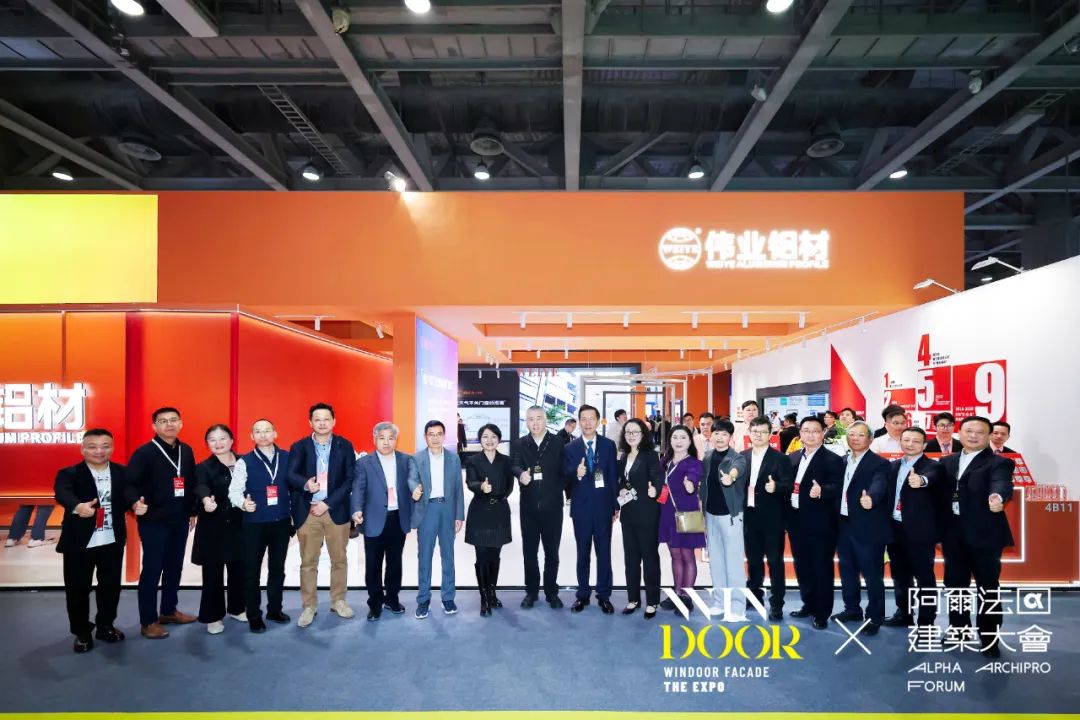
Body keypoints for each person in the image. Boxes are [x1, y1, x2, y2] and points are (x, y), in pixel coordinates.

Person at [939, 416, 1015, 658]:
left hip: (985, 535)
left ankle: (989, 637)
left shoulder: (999, 462)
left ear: (989, 436)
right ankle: (958, 629)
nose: (973, 436)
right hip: (953, 535)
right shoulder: (946, 461)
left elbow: (1002, 484)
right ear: (959, 433)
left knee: (988, 587)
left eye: (980, 432)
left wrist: (998, 497)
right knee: (955, 586)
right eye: (969, 431)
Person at [125, 406, 198, 639]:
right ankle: (148, 621)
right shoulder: (144, 453)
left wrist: (193, 510)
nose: (169, 424)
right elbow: (129, 484)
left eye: (173, 420)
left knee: (174, 566)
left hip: (180, 519)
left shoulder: (186, 450)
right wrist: (134, 503)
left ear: (181, 423)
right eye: (163, 421)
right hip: (154, 521)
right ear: (154, 426)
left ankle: (168, 611)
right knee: (153, 568)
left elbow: (191, 482)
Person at [53, 429, 127, 653]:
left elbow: (129, 496)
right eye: (93, 446)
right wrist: (77, 506)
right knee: (77, 589)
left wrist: (136, 504)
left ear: (112, 448)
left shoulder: (121, 472)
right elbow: (62, 493)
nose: (99, 451)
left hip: (111, 540)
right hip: (79, 542)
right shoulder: (69, 473)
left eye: (105, 446)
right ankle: (82, 632)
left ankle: (105, 626)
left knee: (111, 587)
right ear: (83, 449)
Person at [287, 402, 356, 627]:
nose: (322, 423)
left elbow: (349, 480)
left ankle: (339, 601)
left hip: (335, 510)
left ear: (334, 421)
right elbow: (290, 474)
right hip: (308, 511)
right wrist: (306, 484)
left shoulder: (345, 445)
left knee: (339, 560)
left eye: (326, 419)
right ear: (310, 422)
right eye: (317, 419)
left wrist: (327, 503)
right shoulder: (299, 446)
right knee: (308, 562)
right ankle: (309, 606)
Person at [229, 419, 292, 633]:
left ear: (275, 433)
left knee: (277, 569)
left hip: (281, 522)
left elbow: (294, 487)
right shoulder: (244, 461)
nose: (263, 435)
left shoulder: (287, 457)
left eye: (267, 431)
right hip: (254, 524)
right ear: (252, 436)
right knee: (251, 571)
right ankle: (254, 615)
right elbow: (234, 491)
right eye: (258, 431)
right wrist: (243, 503)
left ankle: (275, 609)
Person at [353, 421, 420, 621]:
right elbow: (358, 489)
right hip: (373, 519)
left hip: (397, 519)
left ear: (396, 440)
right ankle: (374, 604)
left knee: (394, 563)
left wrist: (416, 490)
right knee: (373, 565)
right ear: (374, 439)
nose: (386, 442)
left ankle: (392, 599)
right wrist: (356, 510)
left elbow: (413, 482)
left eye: (391, 438)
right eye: (382, 438)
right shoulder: (364, 463)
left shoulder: (406, 460)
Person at [832, 421, 891, 635]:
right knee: (847, 570)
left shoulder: (880, 464)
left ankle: (875, 616)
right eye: (852, 434)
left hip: (868, 526)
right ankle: (852, 609)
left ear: (870, 439)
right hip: (843, 524)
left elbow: (879, 484)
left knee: (872, 573)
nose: (855, 438)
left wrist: (871, 498)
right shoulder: (840, 461)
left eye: (860, 435)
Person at [786, 415, 844, 630]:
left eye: (815, 431)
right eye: (806, 431)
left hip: (821, 523)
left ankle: (821, 612)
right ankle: (808, 603)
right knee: (802, 565)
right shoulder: (792, 458)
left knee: (821, 566)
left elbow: (838, 487)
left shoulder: (833, 459)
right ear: (800, 434)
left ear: (823, 434)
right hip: (796, 520)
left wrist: (823, 491)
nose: (810, 435)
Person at [883, 426, 943, 629]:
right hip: (895, 528)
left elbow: (931, 477)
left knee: (924, 577)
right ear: (900, 442)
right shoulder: (892, 466)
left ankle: (926, 622)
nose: (910, 444)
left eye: (916, 441)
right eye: (906, 440)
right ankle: (904, 613)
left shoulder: (933, 466)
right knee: (900, 575)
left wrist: (921, 480)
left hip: (919, 533)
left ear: (924, 445)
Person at [511, 405, 569, 609]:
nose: (535, 423)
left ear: (545, 420)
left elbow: (565, 471)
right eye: (530, 419)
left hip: (553, 507)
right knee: (530, 552)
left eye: (538, 418)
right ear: (526, 422)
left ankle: (552, 592)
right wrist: (520, 474)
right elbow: (514, 464)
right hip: (528, 508)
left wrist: (556, 489)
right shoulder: (520, 443)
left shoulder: (558, 442)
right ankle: (532, 592)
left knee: (552, 552)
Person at [563, 404, 619, 614]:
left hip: (604, 507)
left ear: (598, 421)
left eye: (591, 419)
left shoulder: (608, 445)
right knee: (582, 553)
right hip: (581, 509)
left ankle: (604, 596)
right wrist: (575, 473)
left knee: (604, 553)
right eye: (583, 419)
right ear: (579, 422)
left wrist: (615, 505)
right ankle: (583, 595)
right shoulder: (570, 448)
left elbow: (612, 476)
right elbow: (564, 477)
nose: (587, 423)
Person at [193, 424, 246, 634]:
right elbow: (201, 486)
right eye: (212, 439)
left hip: (240, 525)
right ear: (207, 444)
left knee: (238, 569)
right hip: (213, 527)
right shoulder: (204, 467)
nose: (218, 443)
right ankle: (213, 617)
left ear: (232, 440)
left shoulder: (244, 463)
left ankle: (237, 608)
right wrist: (206, 500)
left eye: (223, 438)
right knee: (213, 574)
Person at [742, 415, 793, 621]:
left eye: (763, 432)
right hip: (749, 516)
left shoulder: (780, 459)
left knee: (775, 562)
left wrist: (776, 487)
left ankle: (777, 604)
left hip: (772, 519)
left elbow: (789, 485)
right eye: (755, 431)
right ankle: (754, 596)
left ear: (770, 434)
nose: (758, 435)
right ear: (749, 433)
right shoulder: (742, 457)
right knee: (753, 560)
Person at [412, 420, 464, 619]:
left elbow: (458, 488)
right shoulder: (417, 458)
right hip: (427, 510)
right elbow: (411, 478)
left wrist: (459, 515)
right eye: (431, 434)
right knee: (424, 556)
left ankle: (448, 597)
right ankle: (423, 600)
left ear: (444, 436)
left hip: (447, 510)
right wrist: (414, 489)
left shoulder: (453, 459)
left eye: (439, 434)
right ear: (425, 437)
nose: (435, 438)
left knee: (448, 556)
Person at [700, 419, 749, 620]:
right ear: (711, 435)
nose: (719, 437)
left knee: (734, 562)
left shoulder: (737, 458)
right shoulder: (707, 457)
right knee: (716, 562)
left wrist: (731, 477)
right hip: (711, 515)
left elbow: (738, 469)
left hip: (731, 517)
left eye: (724, 434)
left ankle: (737, 605)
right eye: (716, 433)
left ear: (730, 437)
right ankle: (719, 602)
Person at [464, 423, 514, 616]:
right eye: (485, 436)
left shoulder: (506, 461)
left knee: (494, 555)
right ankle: (484, 597)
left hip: (499, 511)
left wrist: (499, 495)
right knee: (482, 557)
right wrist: (481, 487)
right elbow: (470, 481)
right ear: (480, 439)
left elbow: (509, 486)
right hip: (480, 512)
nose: (489, 440)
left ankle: (492, 593)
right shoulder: (473, 460)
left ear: (499, 439)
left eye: (493, 436)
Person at [615, 418, 662, 618]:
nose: (631, 435)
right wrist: (620, 490)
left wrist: (655, 489)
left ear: (643, 434)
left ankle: (652, 601)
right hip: (628, 515)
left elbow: (657, 477)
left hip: (647, 514)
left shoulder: (650, 456)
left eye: (635, 432)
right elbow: (621, 481)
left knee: (649, 558)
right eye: (628, 432)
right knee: (631, 559)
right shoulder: (623, 456)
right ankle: (633, 599)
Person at [658, 424, 705, 610]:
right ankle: (677, 593)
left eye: (683, 437)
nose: (678, 441)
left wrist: (690, 484)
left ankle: (687, 595)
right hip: (667, 514)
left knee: (687, 555)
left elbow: (694, 477)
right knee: (674, 554)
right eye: (675, 437)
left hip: (686, 514)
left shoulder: (693, 463)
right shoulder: (665, 461)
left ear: (689, 441)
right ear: (669, 440)